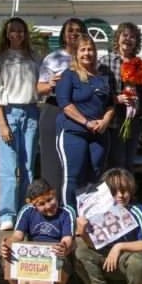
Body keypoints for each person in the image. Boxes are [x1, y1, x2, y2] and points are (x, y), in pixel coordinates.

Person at [75, 168, 142, 284]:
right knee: (79, 248)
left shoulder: (137, 210)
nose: (120, 195)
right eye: (114, 192)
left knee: (140, 260)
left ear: (131, 191)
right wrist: (82, 231)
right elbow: (92, 245)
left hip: (126, 261)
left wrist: (119, 246)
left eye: (124, 190)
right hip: (104, 260)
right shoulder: (97, 212)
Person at [0, 16, 40, 231]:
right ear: (6, 35)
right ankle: (7, 214)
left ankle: (26, 210)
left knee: (28, 166)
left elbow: (41, 86)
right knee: (9, 167)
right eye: (12, 31)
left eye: (20, 31)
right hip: (9, 112)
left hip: (31, 112)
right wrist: (2, 122)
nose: (16, 34)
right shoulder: (0, 59)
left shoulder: (34, 57)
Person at [2, 178, 75, 284]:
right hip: (33, 255)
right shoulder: (27, 211)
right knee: (7, 261)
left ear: (54, 193)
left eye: (50, 199)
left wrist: (63, 247)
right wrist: (8, 244)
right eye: (41, 204)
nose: (48, 206)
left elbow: (68, 239)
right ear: (32, 203)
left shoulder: (66, 212)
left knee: (64, 263)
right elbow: (18, 235)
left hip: (55, 254)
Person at [55, 35, 115, 208]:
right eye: (83, 50)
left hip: (99, 134)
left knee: (96, 173)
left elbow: (110, 104)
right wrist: (86, 123)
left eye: (90, 49)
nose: (87, 53)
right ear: (76, 53)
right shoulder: (69, 75)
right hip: (73, 131)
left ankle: (90, 214)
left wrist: (105, 121)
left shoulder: (103, 77)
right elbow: (65, 105)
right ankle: (70, 215)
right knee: (73, 174)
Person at [37, 17, 86, 199]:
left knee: (76, 160)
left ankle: (75, 203)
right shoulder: (53, 58)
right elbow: (39, 88)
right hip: (55, 109)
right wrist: (51, 84)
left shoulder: (87, 56)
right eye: (70, 30)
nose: (74, 34)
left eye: (78, 30)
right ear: (64, 36)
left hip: (79, 111)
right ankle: (51, 202)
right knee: (52, 161)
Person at [98, 22, 142, 171]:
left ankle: (128, 194)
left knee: (129, 161)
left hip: (133, 121)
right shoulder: (105, 62)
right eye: (124, 35)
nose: (128, 39)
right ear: (118, 38)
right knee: (116, 162)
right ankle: (115, 193)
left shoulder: (140, 64)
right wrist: (117, 98)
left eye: (132, 37)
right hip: (114, 120)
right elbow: (99, 93)